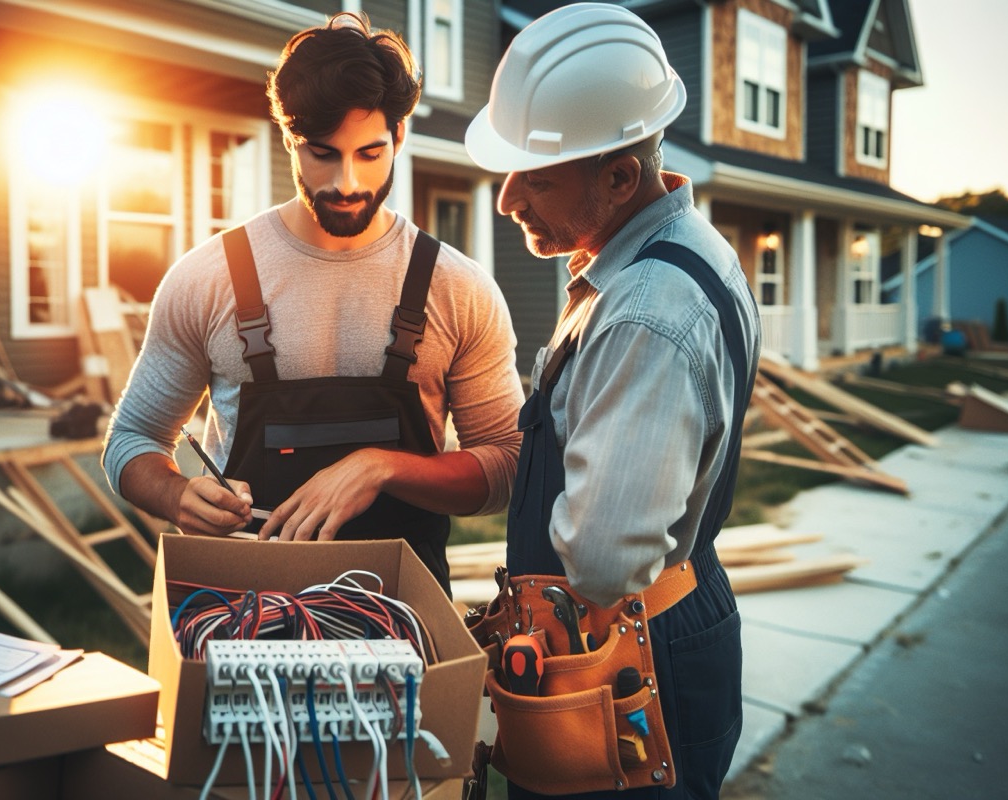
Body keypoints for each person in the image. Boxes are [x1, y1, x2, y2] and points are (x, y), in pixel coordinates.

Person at [102, 11, 523, 591]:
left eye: (370, 154)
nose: (347, 181)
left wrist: (381, 467)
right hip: (246, 620)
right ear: (289, 139)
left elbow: (504, 463)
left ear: (399, 136)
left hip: (403, 620)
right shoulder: (207, 279)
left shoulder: (458, 288)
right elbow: (131, 442)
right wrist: (177, 495)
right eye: (322, 153)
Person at [464, 4, 761, 798]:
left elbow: (602, 561)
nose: (507, 199)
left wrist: (534, 601)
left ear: (622, 177)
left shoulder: (644, 313)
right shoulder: (679, 253)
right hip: (662, 624)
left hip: (625, 652)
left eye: (538, 175)